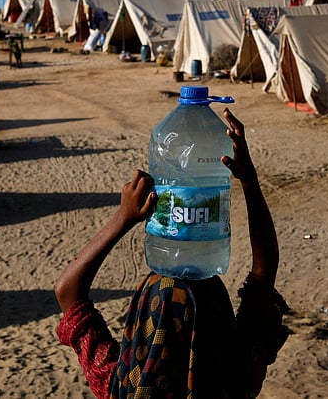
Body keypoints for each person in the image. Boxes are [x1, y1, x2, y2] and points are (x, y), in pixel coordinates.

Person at [55, 109, 288, 398]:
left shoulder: (121, 386)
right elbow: (263, 275)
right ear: (216, 323)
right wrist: (249, 181)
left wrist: (123, 217)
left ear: (141, 327)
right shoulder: (233, 377)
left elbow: (67, 291)